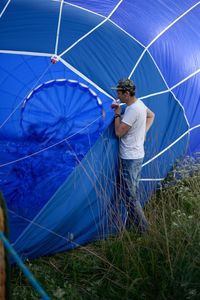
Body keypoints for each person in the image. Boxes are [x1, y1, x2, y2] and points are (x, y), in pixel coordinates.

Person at [111, 79, 155, 232]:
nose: (117, 95)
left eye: (119, 93)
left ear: (127, 94)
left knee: (130, 197)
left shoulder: (132, 110)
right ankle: (131, 227)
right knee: (132, 193)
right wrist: (142, 133)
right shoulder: (140, 105)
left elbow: (118, 133)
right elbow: (151, 115)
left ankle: (145, 230)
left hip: (129, 157)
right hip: (137, 155)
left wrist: (117, 115)